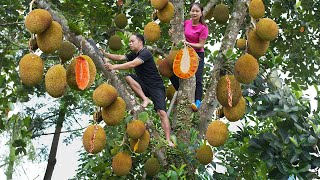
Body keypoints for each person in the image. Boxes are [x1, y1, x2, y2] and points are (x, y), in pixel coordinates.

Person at [101, 33, 175, 147]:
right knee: (128, 78)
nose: (130, 43)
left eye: (132, 41)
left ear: (140, 42)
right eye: (129, 41)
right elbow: (120, 57)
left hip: (156, 86)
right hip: (144, 86)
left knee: (162, 113)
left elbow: (133, 64)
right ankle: (145, 99)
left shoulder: (145, 53)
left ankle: (168, 140)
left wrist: (114, 67)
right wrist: (105, 54)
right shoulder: (134, 54)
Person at [170, 2, 209, 111]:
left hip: (198, 54)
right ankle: (182, 92)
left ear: (201, 13)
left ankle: (197, 102)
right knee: (174, 72)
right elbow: (178, 34)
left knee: (198, 79)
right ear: (190, 12)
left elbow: (201, 45)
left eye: (197, 11)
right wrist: (172, 33)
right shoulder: (186, 23)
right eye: (193, 11)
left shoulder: (203, 28)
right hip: (185, 53)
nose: (194, 13)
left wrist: (188, 44)